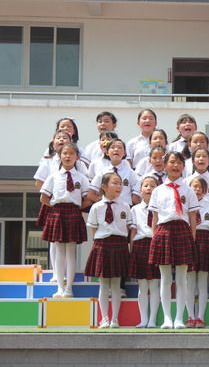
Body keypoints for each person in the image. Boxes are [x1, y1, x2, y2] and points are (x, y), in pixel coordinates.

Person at [148, 151, 200, 329]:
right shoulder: (158, 190)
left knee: (182, 278)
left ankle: (179, 318)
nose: (175, 165)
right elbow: (155, 217)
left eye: (179, 162)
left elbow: (192, 217)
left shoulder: (188, 190)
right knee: (165, 278)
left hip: (182, 231)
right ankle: (166, 318)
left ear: (183, 166)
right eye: (172, 162)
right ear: (164, 165)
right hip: (163, 231)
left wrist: (192, 238)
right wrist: (155, 237)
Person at [39, 143, 90, 298]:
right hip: (58, 212)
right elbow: (43, 198)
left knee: (71, 251)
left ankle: (69, 288)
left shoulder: (82, 178)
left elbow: (87, 198)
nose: (68, 156)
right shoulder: (53, 176)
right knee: (60, 251)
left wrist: (77, 207)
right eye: (65, 153)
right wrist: (55, 206)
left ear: (77, 157)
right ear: (59, 156)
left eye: (71, 153)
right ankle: (60, 288)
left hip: (73, 212)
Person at [85, 172, 132, 328]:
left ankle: (115, 319)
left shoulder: (125, 206)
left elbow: (129, 227)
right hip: (102, 244)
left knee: (117, 284)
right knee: (104, 284)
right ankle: (104, 318)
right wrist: (99, 244)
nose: (119, 186)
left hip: (120, 244)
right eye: (114, 183)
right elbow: (93, 229)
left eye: (120, 183)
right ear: (104, 187)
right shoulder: (96, 207)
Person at [186, 176, 209, 328]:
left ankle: (200, 317)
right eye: (194, 186)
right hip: (188, 240)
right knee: (189, 282)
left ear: (205, 190)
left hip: (204, 240)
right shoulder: (184, 205)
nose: (197, 189)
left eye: (200, 187)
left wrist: (207, 239)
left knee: (202, 282)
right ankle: (190, 316)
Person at [129, 176, 161, 328]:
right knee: (142, 286)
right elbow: (133, 231)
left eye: (153, 186)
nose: (149, 188)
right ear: (140, 190)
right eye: (146, 185)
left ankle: (152, 320)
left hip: (156, 245)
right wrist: (132, 250)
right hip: (140, 246)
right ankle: (144, 319)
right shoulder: (134, 210)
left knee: (154, 285)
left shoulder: (161, 209)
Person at [89, 139, 140, 206]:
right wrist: (104, 203)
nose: (116, 149)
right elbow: (91, 194)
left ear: (124, 153)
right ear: (107, 152)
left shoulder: (130, 173)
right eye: (112, 147)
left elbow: (136, 194)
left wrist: (127, 204)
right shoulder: (102, 172)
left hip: (124, 209)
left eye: (119, 147)